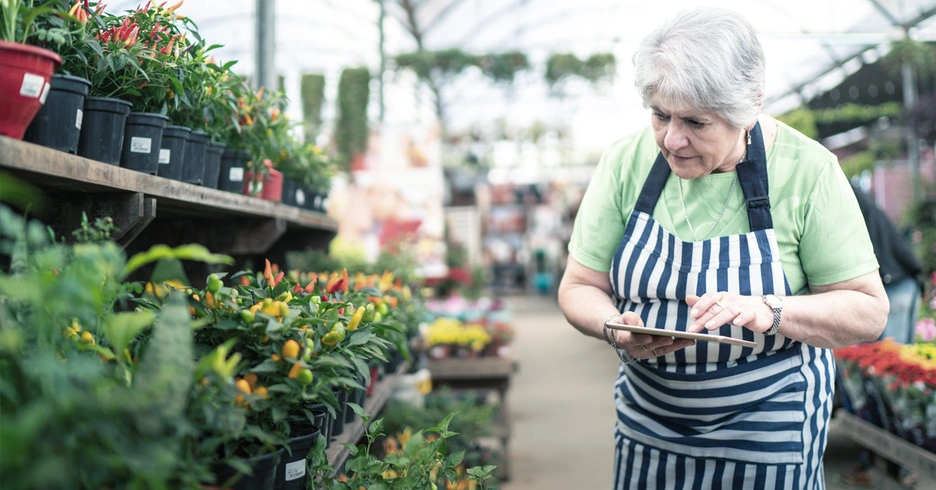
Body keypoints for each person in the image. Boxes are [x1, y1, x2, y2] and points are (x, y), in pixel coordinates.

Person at [557, 8, 889, 489]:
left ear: (750, 107)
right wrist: (613, 326)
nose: (672, 138)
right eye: (660, 115)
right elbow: (579, 285)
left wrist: (768, 310)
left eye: (695, 122)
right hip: (650, 425)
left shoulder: (807, 171)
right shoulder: (626, 161)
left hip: (768, 425)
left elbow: (867, 310)